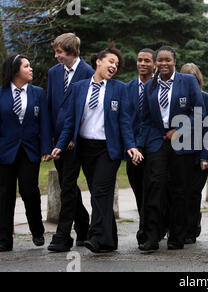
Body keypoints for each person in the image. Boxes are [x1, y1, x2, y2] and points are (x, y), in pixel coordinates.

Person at [52, 45, 143, 253]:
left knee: (101, 192)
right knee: (97, 192)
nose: (114, 66)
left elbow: (124, 121)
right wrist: (59, 145)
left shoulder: (118, 89)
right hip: (84, 148)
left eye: (117, 65)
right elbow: (70, 122)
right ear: (98, 61)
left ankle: (96, 237)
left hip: (107, 150)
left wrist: (130, 146)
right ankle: (109, 240)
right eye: (111, 61)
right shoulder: (79, 87)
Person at [137, 46, 205, 252]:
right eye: (160, 60)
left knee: (179, 190)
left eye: (168, 60)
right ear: (156, 63)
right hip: (157, 142)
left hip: (181, 143)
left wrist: (180, 129)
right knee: (154, 187)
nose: (164, 64)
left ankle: (177, 236)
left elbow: (199, 111)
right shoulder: (151, 85)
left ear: (175, 61)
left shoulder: (188, 82)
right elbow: (146, 119)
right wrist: (142, 144)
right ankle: (151, 237)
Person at [0, 54, 53, 252]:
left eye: (30, 65)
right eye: (26, 66)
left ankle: (37, 230)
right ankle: (4, 238)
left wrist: (47, 148)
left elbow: (45, 122)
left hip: (30, 150)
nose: (30, 69)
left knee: (29, 190)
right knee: (4, 193)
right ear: (15, 71)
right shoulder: (1, 93)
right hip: (5, 151)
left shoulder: (38, 93)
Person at [47, 33, 94, 252]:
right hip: (58, 141)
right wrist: (51, 141)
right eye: (56, 51)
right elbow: (50, 107)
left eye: (60, 52)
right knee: (69, 187)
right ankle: (84, 225)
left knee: (67, 187)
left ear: (72, 51)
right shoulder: (54, 73)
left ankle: (63, 236)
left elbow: (89, 110)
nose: (57, 56)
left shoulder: (88, 73)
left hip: (77, 142)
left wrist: (73, 137)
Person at [179, 62, 208, 244]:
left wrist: (204, 156)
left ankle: (192, 228)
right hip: (180, 153)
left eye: (194, 80)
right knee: (180, 192)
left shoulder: (207, 99)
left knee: (194, 193)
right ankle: (179, 227)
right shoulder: (177, 99)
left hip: (199, 153)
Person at [126, 48, 156, 246]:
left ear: (154, 64)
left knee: (152, 191)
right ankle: (144, 224)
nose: (142, 63)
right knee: (138, 189)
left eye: (147, 60)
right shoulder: (126, 88)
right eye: (139, 60)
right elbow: (124, 119)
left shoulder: (159, 87)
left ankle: (148, 229)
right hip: (132, 149)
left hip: (153, 148)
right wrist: (132, 146)